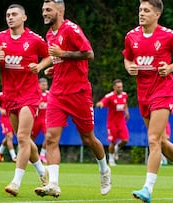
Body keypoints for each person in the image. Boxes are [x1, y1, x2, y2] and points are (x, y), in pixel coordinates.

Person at [34, 0, 111, 197]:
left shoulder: (72, 29)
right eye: (43, 10)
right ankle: (54, 184)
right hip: (57, 93)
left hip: (79, 93)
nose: (44, 13)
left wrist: (62, 54)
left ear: (59, 11)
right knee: (51, 138)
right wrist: (56, 67)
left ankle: (104, 169)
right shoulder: (49, 34)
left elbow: (89, 54)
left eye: (48, 10)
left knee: (88, 138)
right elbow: (61, 59)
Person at [122, 0, 173, 202]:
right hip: (143, 93)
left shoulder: (168, 36)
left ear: (157, 15)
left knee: (153, 139)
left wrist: (171, 67)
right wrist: (129, 67)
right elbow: (127, 58)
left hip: (163, 91)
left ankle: (147, 189)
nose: (142, 13)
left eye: (146, 10)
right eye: (140, 10)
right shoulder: (131, 36)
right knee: (161, 141)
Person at [0, 4, 52, 196]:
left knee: (22, 137)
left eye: (14, 14)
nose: (10, 17)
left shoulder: (34, 39)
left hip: (30, 96)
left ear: (24, 18)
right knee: (22, 138)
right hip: (9, 96)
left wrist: (39, 66)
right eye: (7, 15)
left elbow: (49, 56)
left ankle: (16, 182)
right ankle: (41, 170)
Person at [96, 79, 130, 166]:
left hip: (121, 121)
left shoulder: (124, 95)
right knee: (113, 141)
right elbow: (102, 102)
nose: (121, 88)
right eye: (118, 87)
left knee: (125, 140)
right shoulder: (110, 96)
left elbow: (125, 104)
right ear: (114, 87)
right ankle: (111, 159)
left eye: (121, 87)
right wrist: (100, 104)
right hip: (112, 122)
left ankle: (116, 148)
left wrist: (126, 112)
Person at [0, 91, 17, 162]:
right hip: (5, 118)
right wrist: (1, 109)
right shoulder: (1, 94)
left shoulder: (15, 92)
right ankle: (14, 157)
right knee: (10, 137)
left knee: (8, 137)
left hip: (13, 117)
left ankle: (0, 152)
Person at [31, 77, 49, 164]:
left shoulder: (49, 94)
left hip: (45, 119)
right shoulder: (35, 94)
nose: (45, 86)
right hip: (36, 119)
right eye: (43, 85)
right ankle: (30, 156)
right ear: (39, 85)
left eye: (46, 84)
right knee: (31, 138)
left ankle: (42, 154)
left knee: (48, 136)